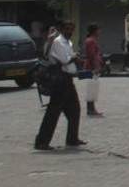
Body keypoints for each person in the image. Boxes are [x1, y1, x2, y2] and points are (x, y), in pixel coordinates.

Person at [34, 21, 86, 151]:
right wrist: (74, 57)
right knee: (53, 112)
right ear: (62, 29)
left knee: (74, 110)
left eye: (72, 29)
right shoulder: (58, 42)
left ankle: (72, 138)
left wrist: (75, 58)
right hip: (60, 80)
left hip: (67, 80)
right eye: (67, 29)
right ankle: (42, 141)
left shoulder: (67, 42)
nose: (70, 31)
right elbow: (64, 60)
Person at [82, 23, 105, 117]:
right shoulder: (91, 41)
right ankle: (91, 109)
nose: (100, 32)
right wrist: (96, 67)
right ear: (95, 31)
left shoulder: (90, 40)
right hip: (92, 67)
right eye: (98, 30)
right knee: (92, 88)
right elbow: (92, 55)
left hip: (92, 66)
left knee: (92, 88)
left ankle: (91, 108)